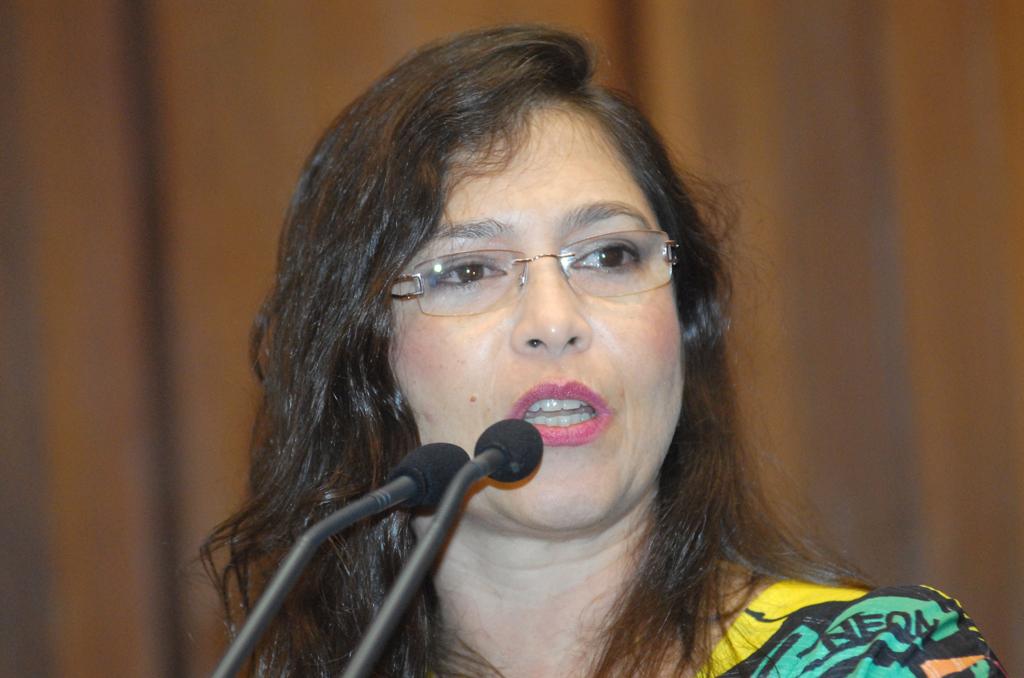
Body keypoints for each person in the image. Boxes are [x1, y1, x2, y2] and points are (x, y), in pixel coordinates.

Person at [202, 25, 1004, 677]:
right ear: (365, 362)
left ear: (683, 324)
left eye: (608, 256)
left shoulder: (876, 662)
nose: (556, 321)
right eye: (470, 270)